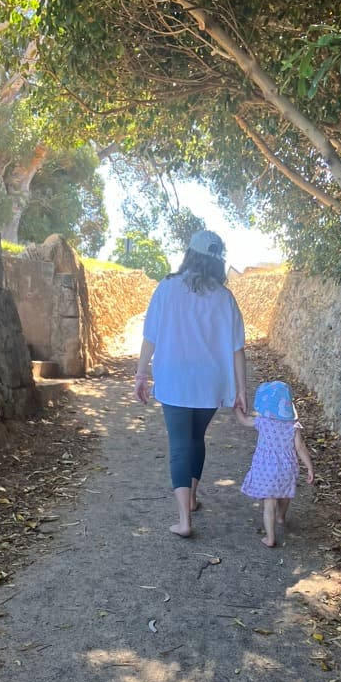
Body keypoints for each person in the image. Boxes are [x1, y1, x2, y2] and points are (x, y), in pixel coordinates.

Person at [134, 229, 247, 537]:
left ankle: (184, 520)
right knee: (196, 437)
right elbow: (237, 348)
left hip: (174, 378)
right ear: (217, 261)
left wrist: (142, 373)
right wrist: (241, 390)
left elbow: (150, 337)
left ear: (190, 255)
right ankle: (193, 497)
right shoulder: (225, 298)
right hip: (210, 382)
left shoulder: (167, 288)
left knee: (180, 444)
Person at [234, 380, 314, 547]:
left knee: (268, 502)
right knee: (285, 494)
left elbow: (244, 420)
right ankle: (281, 516)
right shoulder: (293, 425)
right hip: (287, 467)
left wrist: (237, 410)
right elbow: (300, 448)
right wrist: (309, 467)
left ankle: (270, 538)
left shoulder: (262, 421)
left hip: (265, 468)